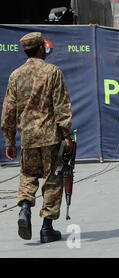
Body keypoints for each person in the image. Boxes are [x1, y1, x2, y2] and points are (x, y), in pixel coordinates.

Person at [1, 32, 73, 243]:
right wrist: (67, 134)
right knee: (52, 179)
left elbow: (8, 111)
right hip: (50, 137)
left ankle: (25, 208)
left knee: (28, 175)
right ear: (41, 48)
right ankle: (46, 228)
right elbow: (61, 106)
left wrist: (9, 140)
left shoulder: (16, 75)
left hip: (28, 138)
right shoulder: (52, 72)